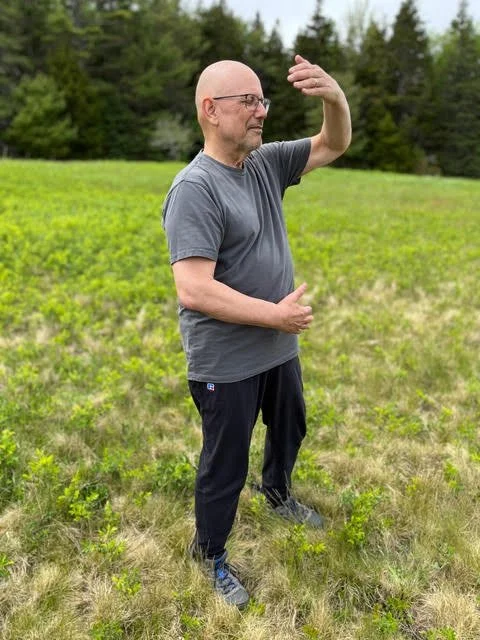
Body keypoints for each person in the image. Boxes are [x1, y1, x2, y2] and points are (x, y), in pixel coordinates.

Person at [162, 54, 351, 608]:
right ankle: (211, 554)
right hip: (226, 359)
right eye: (248, 101)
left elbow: (333, 144)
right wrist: (275, 316)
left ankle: (278, 494)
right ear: (210, 109)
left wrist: (334, 97)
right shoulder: (195, 188)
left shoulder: (265, 163)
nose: (261, 111)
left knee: (291, 426)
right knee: (225, 464)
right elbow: (194, 289)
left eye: (262, 100)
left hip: (277, 347)